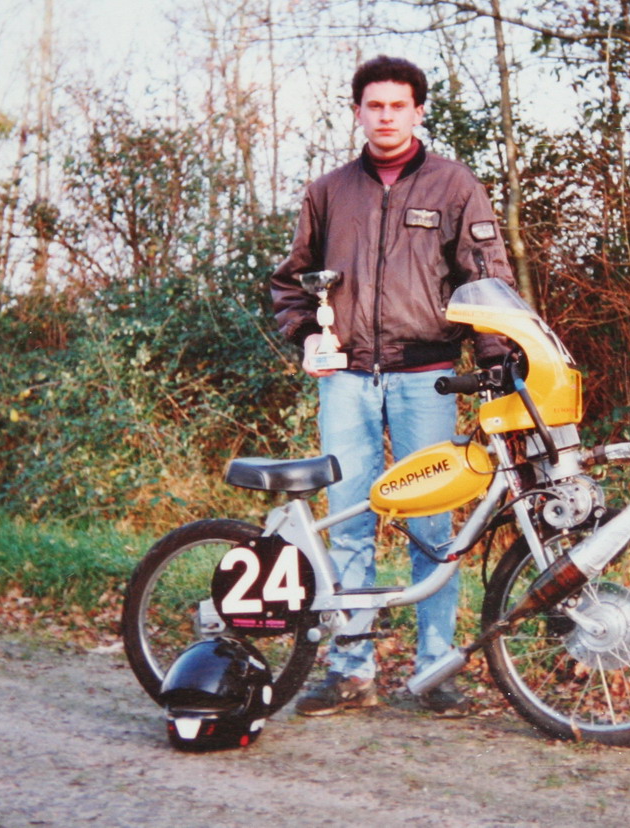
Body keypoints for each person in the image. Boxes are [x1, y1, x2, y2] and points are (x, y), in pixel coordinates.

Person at [270, 55, 514, 717]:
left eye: (397, 106)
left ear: (417, 111)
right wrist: (307, 335)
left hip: (426, 377)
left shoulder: (454, 184)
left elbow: (486, 280)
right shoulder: (328, 192)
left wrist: (496, 362)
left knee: (431, 526)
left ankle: (435, 670)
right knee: (348, 520)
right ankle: (351, 671)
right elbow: (291, 282)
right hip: (346, 379)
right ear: (357, 112)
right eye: (373, 105)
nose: (385, 116)